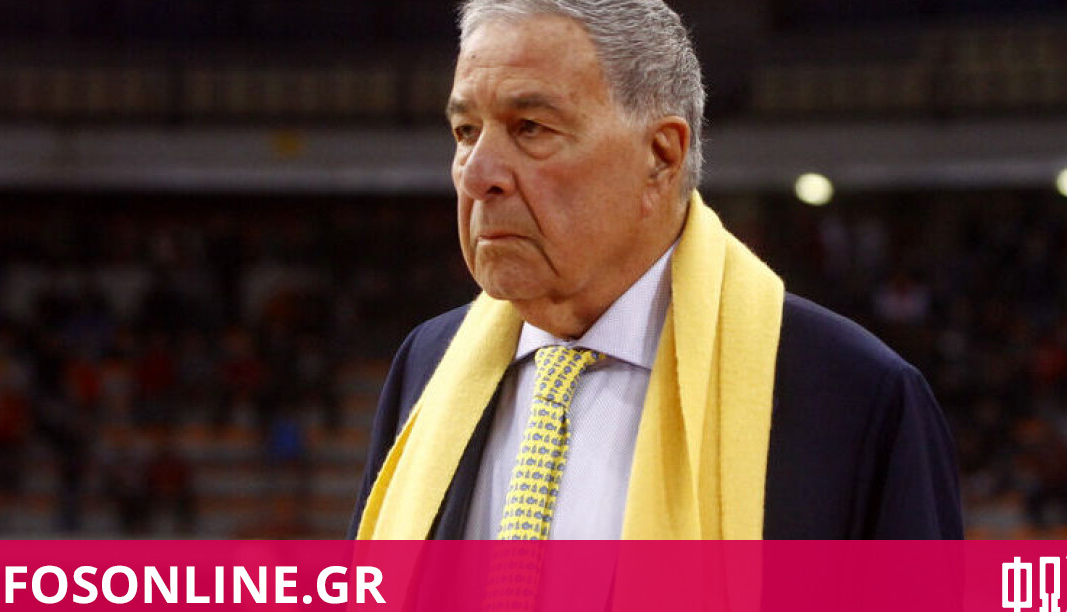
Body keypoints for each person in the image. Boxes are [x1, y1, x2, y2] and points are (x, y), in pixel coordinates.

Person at [350, 0, 962, 540]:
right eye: (465, 131)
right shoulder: (425, 363)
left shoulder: (856, 397)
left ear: (661, 156)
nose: (478, 174)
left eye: (530, 128)